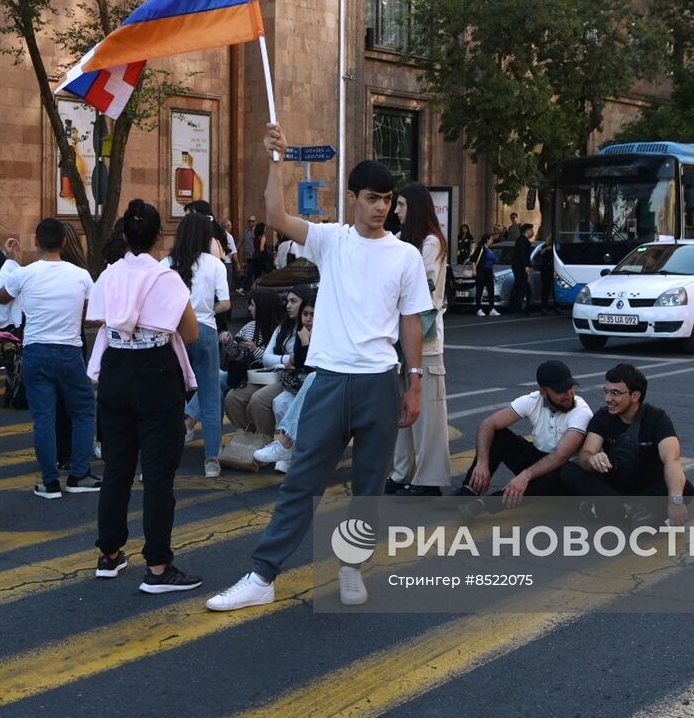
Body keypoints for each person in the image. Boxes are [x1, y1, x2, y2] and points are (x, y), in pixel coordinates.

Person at [207, 127, 432, 612]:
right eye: (372, 199)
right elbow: (275, 216)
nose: (381, 208)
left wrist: (415, 384)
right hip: (328, 380)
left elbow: (412, 323)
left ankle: (351, 567)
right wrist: (276, 160)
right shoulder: (331, 240)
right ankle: (263, 575)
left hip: (380, 381)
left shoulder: (406, 255)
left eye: (388, 200)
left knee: (369, 487)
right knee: (301, 480)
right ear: (352, 198)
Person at [89, 199, 204, 594]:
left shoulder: (108, 276)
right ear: (159, 236)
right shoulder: (166, 278)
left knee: (117, 467)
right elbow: (190, 334)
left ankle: (109, 554)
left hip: (116, 371)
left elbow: (99, 320)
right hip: (156, 374)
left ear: (124, 235)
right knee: (157, 475)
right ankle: (157, 566)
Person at [0, 218, 100, 498]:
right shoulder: (81, 275)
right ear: (64, 242)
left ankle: (49, 482)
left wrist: (10, 260)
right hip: (69, 351)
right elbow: (93, 314)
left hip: (36, 351)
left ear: (36, 242)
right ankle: (78, 474)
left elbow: (1, 297)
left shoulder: (25, 274)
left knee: (43, 418)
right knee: (83, 412)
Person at [560, 363, 694, 523]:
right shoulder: (602, 417)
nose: (607, 398)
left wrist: (675, 501)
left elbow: (672, 460)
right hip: (613, 484)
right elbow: (586, 453)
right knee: (569, 470)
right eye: (606, 391)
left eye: (615, 393)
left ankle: (614, 509)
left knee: (684, 489)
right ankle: (629, 510)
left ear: (635, 396)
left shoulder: (657, 418)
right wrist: (591, 459)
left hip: (645, 485)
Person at [388, 182, 452, 496]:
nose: (395, 211)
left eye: (400, 205)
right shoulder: (403, 241)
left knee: (428, 413)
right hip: (400, 338)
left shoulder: (431, 243)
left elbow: (418, 289)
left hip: (425, 340)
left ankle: (429, 480)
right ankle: (403, 473)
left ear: (413, 207)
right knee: (404, 410)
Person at [457, 360, 592, 506]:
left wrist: (525, 476)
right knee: (498, 435)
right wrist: (482, 463)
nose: (568, 395)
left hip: (563, 471)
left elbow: (561, 456)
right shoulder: (533, 400)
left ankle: (483, 505)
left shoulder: (581, 411)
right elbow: (488, 424)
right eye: (560, 391)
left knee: (557, 474)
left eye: (570, 387)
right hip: (538, 458)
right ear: (543, 391)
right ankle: (468, 493)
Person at [166, 211, 232, 477]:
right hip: (205, 331)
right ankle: (212, 460)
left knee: (168, 397)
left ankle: (165, 455)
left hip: (173, 334)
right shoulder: (215, 264)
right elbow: (227, 303)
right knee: (209, 396)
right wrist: (204, 310)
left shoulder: (166, 263)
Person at [252, 289, 318, 472]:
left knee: (261, 399)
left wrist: (305, 344)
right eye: (305, 314)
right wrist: (299, 347)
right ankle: (288, 451)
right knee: (280, 402)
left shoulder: (323, 333)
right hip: (296, 383)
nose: (308, 319)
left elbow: (309, 366)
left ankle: (285, 445)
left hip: (319, 383)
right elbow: (296, 363)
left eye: (313, 314)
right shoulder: (297, 331)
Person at [220, 288, 290, 439]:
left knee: (257, 400)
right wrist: (229, 341)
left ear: (263, 307)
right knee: (232, 399)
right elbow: (237, 353)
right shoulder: (250, 326)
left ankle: (263, 438)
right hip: (253, 377)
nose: (249, 308)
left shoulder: (282, 329)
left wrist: (255, 349)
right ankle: (249, 436)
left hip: (275, 378)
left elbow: (279, 359)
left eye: (252, 305)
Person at [508, 223, 534, 314]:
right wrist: (526, 265)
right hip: (521, 267)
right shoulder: (524, 241)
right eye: (531, 230)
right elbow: (523, 254)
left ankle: (515, 306)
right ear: (527, 231)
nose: (532, 232)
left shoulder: (519, 240)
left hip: (517, 267)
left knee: (518, 286)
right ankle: (518, 307)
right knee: (521, 287)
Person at [471, 232, 498, 317]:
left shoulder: (490, 250)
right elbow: (474, 260)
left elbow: (492, 262)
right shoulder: (481, 248)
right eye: (491, 239)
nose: (492, 241)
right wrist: (474, 270)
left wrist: (493, 273)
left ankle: (492, 309)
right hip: (482, 271)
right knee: (480, 290)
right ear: (487, 240)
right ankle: (478, 308)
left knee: (491, 291)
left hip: (489, 271)